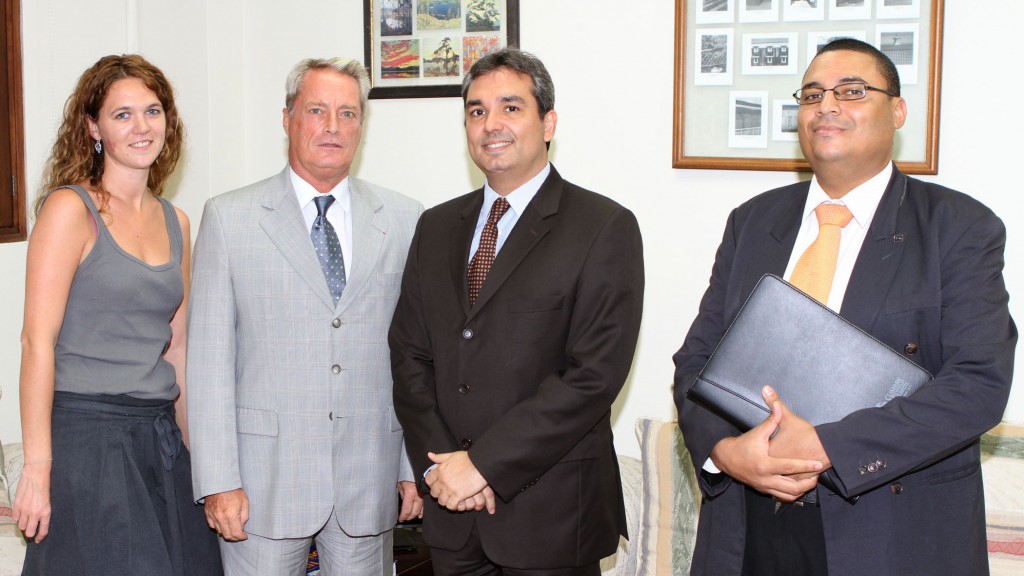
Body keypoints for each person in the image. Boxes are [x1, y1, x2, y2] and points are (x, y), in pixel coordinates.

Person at [673, 38, 1016, 576]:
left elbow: (978, 385)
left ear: (898, 111)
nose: (826, 106)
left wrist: (827, 446)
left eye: (851, 91)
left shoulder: (957, 227)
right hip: (747, 524)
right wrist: (724, 451)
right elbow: (697, 362)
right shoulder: (752, 222)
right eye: (812, 95)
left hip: (889, 527)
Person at [389, 47, 645, 575]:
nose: (491, 124)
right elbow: (409, 356)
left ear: (547, 123)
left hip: (550, 518)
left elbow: (593, 377)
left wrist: (483, 466)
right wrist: (443, 469)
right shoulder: (435, 227)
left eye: (511, 107)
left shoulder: (603, 226)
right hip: (452, 515)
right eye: (477, 111)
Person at [186, 56, 424, 575]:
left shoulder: (406, 219)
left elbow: (416, 358)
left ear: (362, 124)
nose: (332, 126)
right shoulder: (229, 218)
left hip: (369, 480)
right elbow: (207, 363)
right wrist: (218, 480)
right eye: (317, 110)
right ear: (288, 118)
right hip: (260, 488)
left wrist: (410, 465)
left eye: (348, 113)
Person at [14, 54, 222, 575]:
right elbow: (37, 343)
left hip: (159, 438)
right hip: (88, 438)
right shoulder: (69, 210)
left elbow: (176, 348)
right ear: (94, 128)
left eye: (152, 111)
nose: (141, 127)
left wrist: (201, 462)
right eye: (122, 114)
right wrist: (37, 468)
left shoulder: (177, 221)